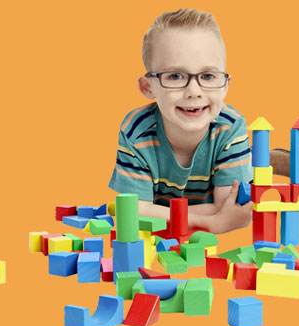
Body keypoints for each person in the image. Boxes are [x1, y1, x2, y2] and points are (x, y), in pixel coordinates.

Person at [108, 9, 289, 234]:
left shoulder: (230, 126)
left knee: (248, 175)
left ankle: (257, 159)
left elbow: (231, 210)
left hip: (220, 156)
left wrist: (159, 213)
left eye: (208, 76)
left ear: (225, 86)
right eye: (175, 76)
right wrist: (213, 222)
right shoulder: (135, 131)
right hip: (204, 181)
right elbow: (132, 212)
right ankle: (250, 157)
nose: (194, 91)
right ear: (147, 87)